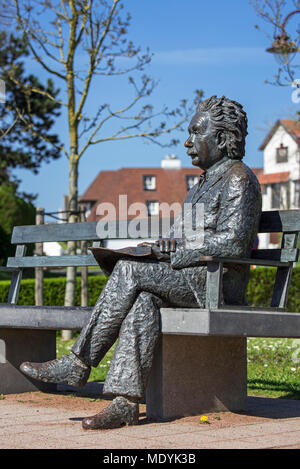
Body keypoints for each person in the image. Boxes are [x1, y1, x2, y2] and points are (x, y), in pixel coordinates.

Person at [20, 95, 262, 430]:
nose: (187, 142)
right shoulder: (202, 185)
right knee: (144, 302)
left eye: (196, 133)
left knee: (130, 270)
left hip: (217, 285)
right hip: (191, 278)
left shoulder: (239, 178)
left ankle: (78, 362)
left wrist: (177, 252)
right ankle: (125, 402)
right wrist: (161, 247)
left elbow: (234, 242)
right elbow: (187, 237)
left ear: (221, 139)